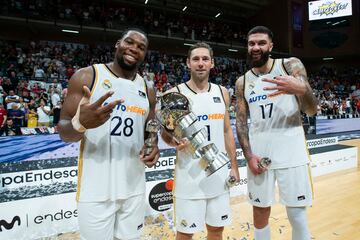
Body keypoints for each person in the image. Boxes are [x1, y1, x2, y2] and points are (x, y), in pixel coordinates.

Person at [58, 29, 160, 240]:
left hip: (134, 186)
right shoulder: (87, 76)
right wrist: (80, 123)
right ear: (117, 44)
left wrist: (153, 145)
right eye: (129, 42)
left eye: (141, 47)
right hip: (95, 189)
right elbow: (63, 131)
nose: (134, 49)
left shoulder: (147, 88)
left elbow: (150, 129)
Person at [235, 26, 317, 240]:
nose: (256, 47)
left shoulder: (290, 66)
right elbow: (241, 123)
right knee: (260, 213)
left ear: (271, 45)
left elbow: (311, 109)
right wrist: (248, 156)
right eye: (251, 43)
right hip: (260, 158)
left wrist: (301, 89)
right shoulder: (242, 82)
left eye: (261, 43)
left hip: (292, 154)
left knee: (297, 215)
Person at [161, 42, 240, 240]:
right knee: (185, 234)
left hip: (218, 174)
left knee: (216, 230)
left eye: (205, 59)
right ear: (188, 63)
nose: (200, 63)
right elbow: (164, 134)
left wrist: (234, 166)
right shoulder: (173, 94)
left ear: (212, 63)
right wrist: (173, 142)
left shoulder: (222, 92)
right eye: (196, 59)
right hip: (189, 176)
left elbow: (227, 130)